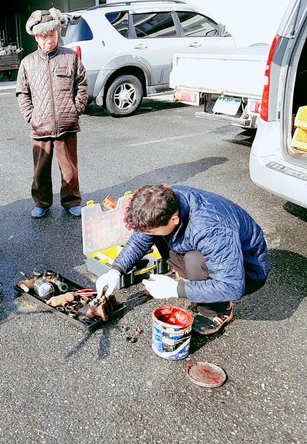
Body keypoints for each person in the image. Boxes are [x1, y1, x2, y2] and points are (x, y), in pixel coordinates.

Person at [96, 184, 271, 335]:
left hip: (247, 271)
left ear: (174, 219)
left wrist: (176, 289)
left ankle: (218, 310)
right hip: (212, 250)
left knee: (195, 261)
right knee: (159, 237)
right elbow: (141, 238)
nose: (145, 234)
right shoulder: (166, 200)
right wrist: (116, 271)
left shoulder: (211, 229)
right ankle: (200, 286)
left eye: (149, 230)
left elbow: (232, 286)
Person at [16, 8, 88, 218]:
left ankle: (71, 200)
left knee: (69, 170)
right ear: (36, 37)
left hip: (67, 123)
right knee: (40, 170)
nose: (49, 40)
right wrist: (30, 115)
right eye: (44, 36)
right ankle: (42, 202)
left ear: (58, 33)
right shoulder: (27, 63)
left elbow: (81, 84)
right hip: (40, 126)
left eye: (53, 34)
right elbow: (22, 92)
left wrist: (77, 108)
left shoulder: (70, 57)